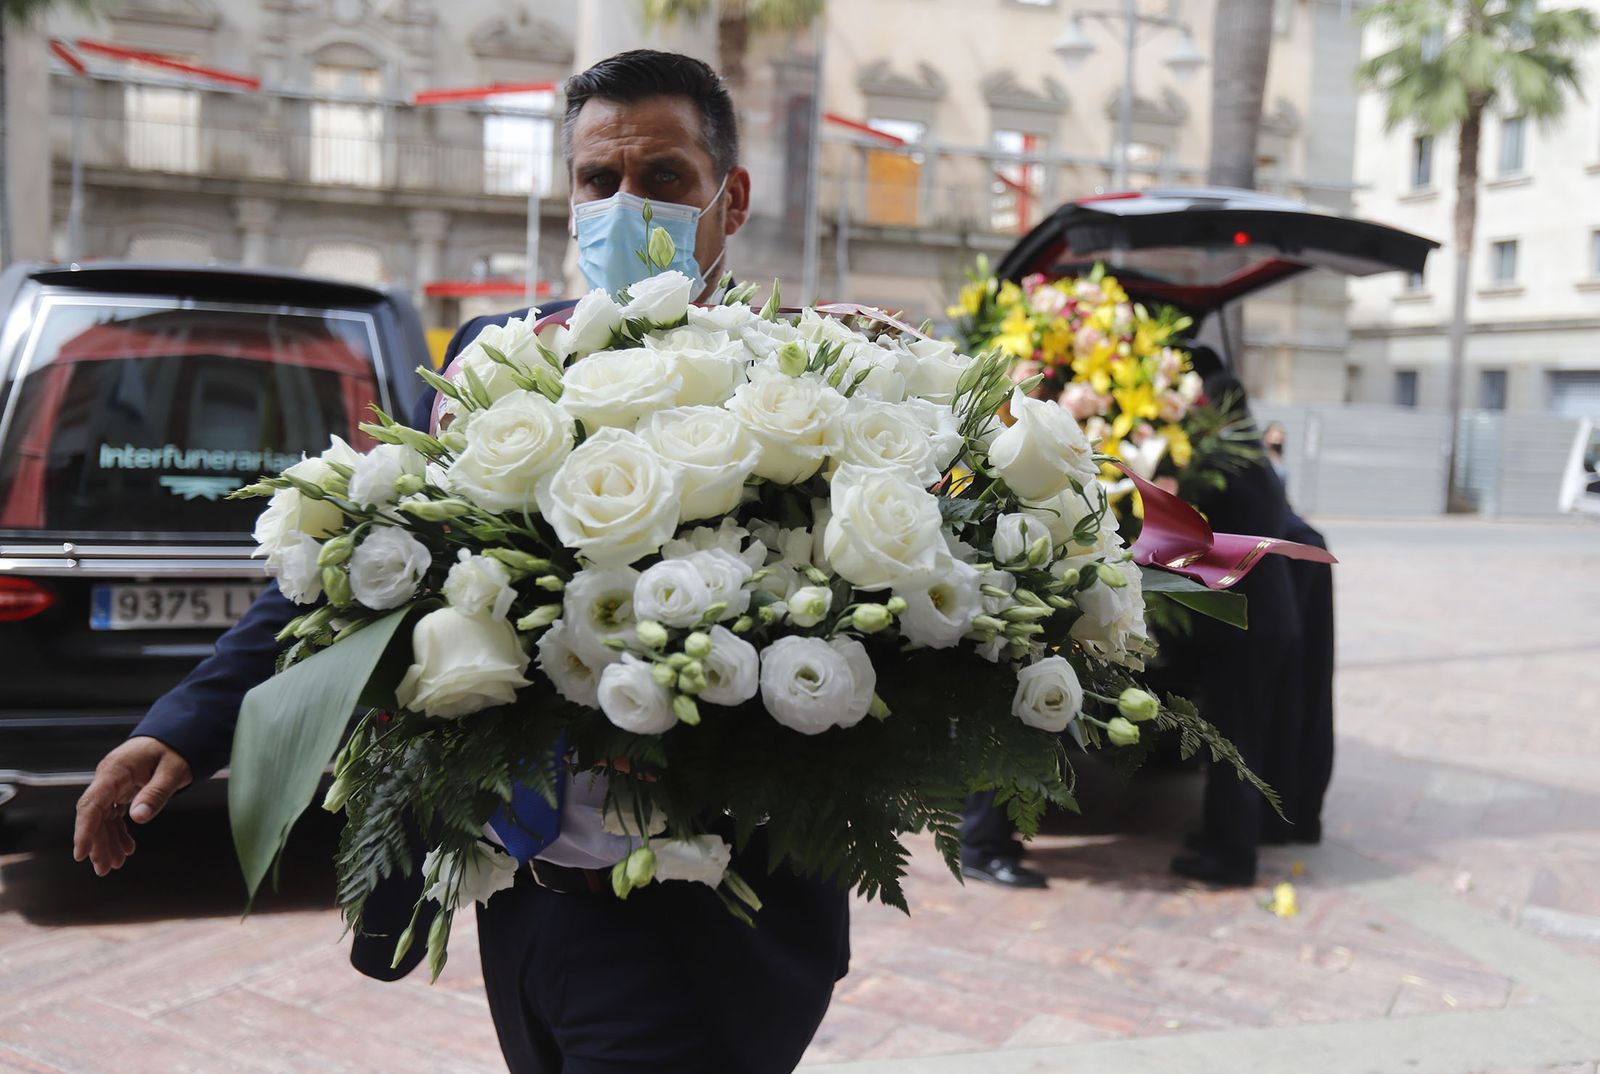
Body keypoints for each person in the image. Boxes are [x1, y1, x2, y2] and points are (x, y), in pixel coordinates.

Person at [73, 50, 849, 1074]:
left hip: (705, 925)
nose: (625, 205)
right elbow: (364, 565)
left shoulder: (804, 385)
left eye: (663, 179)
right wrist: (187, 723)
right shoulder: (490, 360)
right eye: (597, 181)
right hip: (523, 907)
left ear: (729, 197)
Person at [1164, 346, 1302, 888]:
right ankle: (1224, 835)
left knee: (1233, 740)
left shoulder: (1227, 465)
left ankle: (1231, 858)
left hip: (1250, 627)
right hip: (1265, 622)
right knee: (1238, 736)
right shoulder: (1252, 457)